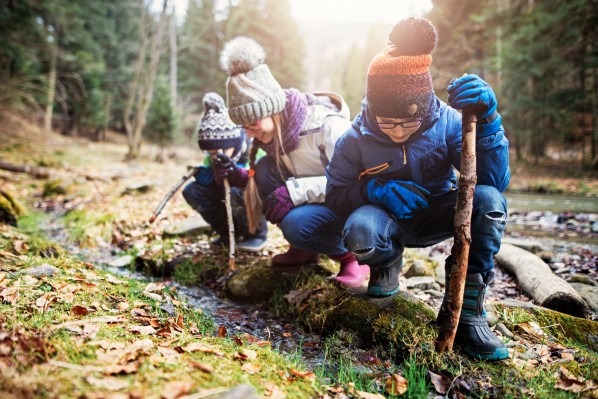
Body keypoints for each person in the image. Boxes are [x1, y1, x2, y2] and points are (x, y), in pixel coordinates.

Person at [325, 18, 510, 361]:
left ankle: (468, 312)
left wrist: (489, 123)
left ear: (424, 108)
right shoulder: (353, 138)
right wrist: (373, 190)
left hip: (440, 211)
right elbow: (335, 195)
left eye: (408, 122)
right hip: (385, 221)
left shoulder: (451, 123)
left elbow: (493, 185)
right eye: (387, 122)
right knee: (361, 230)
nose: (397, 132)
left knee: (490, 203)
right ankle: (386, 263)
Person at [218, 36, 370, 287]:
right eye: (243, 127)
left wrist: (294, 192)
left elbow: (355, 183)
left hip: (350, 205)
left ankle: (355, 257)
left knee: (296, 224)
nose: (248, 132)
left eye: (251, 124)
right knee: (264, 170)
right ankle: (304, 250)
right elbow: (270, 181)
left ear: (270, 110)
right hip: (316, 200)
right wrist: (236, 175)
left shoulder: (327, 126)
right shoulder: (274, 136)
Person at [182, 92, 268, 252]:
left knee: (237, 191)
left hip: (250, 196)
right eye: (211, 153)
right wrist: (205, 175)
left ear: (232, 143)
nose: (216, 156)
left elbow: (263, 177)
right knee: (192, 190)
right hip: (225, 199)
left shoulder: (253, 149)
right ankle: (227, 233)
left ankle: (255, 234)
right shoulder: (212, 157)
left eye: (220, 151)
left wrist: (239, 174)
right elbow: (213, 179)